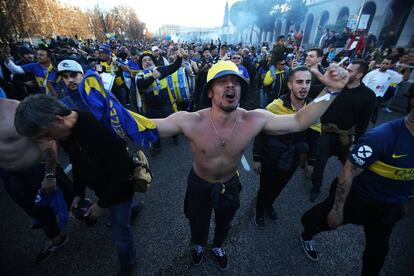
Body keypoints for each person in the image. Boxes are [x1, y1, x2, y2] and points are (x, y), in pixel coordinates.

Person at [152, 60, 349, 270]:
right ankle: (200, 244)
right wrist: (112, 109)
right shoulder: (190, 121)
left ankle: (218, 245)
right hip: (199, 184)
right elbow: (149, 126)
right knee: (197, 221)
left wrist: (331, 90)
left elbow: (299, 121)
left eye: (235, 82)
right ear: (210, 91)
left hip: (230, 185)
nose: (230, 85)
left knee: (224, 221)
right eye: (222, 82)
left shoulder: (253, 119)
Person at [14, 95, 138, 275]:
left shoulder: (96, 129)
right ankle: (134, 207)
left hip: (120, 190)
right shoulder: (65, 132)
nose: (47, 141)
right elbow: (77, 162)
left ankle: (128, 263)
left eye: (45, 135)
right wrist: (78, 194)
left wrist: (101, 205)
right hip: (105, 188)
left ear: (58, 120)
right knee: (120, 214)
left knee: (120, 232)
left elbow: (121, 173)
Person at [300, 88, 414, 276]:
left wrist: (402, 200)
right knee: (324, 221)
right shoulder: (382, 136)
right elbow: (348, 171)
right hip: (359, 199)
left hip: (389, 208)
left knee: (377, 254)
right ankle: (307, 233)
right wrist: (338, 209)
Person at [0, 98, 73, 263]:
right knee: (33, 207)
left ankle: (94, 210)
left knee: (71, 196)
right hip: (10, 176)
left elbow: (48, 142)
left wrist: (49, 175)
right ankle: (56, 238)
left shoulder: (15, 111)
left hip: (38, 168)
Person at [252, 66, 320, 228]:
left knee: (279, 186)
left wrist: (311, 161)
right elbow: (261, 133)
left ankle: (269, 205)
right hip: (270, 157)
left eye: (308, 82)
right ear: (290, 85)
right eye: (299, 82)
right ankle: (259, 209)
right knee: (265, 187)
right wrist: (256, 158)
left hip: (293, 159)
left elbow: (315, 137)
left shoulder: (312, 110)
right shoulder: (275, 106)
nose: (304, 86)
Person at [309, 60, 376, 201]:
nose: (346, 71)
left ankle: (345, 192)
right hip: (325, 134)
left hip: (345, 137)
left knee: (351, 167)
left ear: (359, 75)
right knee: (319, 163)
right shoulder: (337, 86)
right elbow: (314, 89)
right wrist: (304, 79)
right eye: (347, 68)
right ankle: (316, 187)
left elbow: (363, 122)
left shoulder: (368, 95)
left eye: (350, 71)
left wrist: (357, 143)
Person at [136, 49, 185, 155]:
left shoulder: (161, 69)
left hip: (165, 104)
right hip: (151, 107)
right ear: (141, 64)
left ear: (154, 61)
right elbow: (141, 85)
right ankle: (157, 147)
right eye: (144, 60)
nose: (147, 62)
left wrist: (179, 58)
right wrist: (153, 77)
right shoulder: (139, 75)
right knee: (152, 127)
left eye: (149, 59)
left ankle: (175, 136)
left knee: (172, 122)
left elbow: (174, 67)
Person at [362, 57, 403, 125]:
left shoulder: (391, 74)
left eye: (387, 64)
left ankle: (366, 124)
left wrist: (406, 69)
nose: (384, 65)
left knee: (369, 114)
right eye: (383, 63)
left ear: (390, 65)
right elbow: (363, 86)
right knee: (364, 113)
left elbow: (404, 79)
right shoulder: (372, 73)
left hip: (378, 98)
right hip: (368, 96)